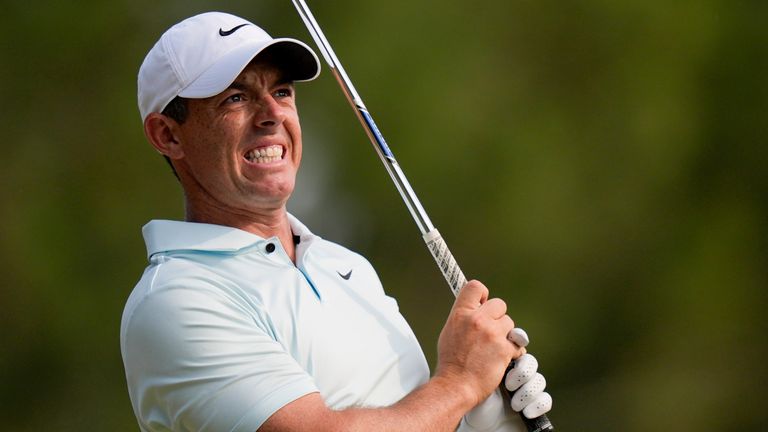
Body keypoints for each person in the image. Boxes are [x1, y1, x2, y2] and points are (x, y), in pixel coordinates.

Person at [120, 11, 552, 432]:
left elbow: (421, 416)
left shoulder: (344, 265)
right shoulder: (174, 301)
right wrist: (459, 382)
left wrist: (483, 411)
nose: (272, 113)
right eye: (236, 97)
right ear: (167, 134)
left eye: (282, 91)